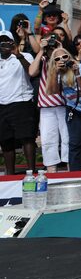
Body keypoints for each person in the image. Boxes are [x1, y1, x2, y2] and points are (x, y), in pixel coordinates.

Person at [49, 46, 81, 171]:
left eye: (65, 57)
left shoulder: (80, 67)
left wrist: (77, 74)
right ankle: (75, 172)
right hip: (73, 110)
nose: (62, 60)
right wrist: (55, 72)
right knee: (75, 143)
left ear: (69, 56)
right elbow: (53, 91)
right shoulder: (57, 72)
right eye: (58, 58)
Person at [0, 30, 37, 173]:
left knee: (27, 138)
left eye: (7, 42)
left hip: (21, 102)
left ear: (13, 43)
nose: (4, 45)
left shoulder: (25, 56)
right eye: (1, 42)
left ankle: (31, 172)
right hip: (1, 105)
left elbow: (32, 72)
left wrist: (18, 55)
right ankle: (9, 174)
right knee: (5, 141)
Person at [29, 42, 68, 173]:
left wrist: (60, 50)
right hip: (46, 107)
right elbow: (32, 72)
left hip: (64, 105)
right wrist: (41, 50)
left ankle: (71, 170)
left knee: (67, 138)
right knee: (48, 140)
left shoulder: (65, 58)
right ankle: (52, 172)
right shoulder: (44, 59)